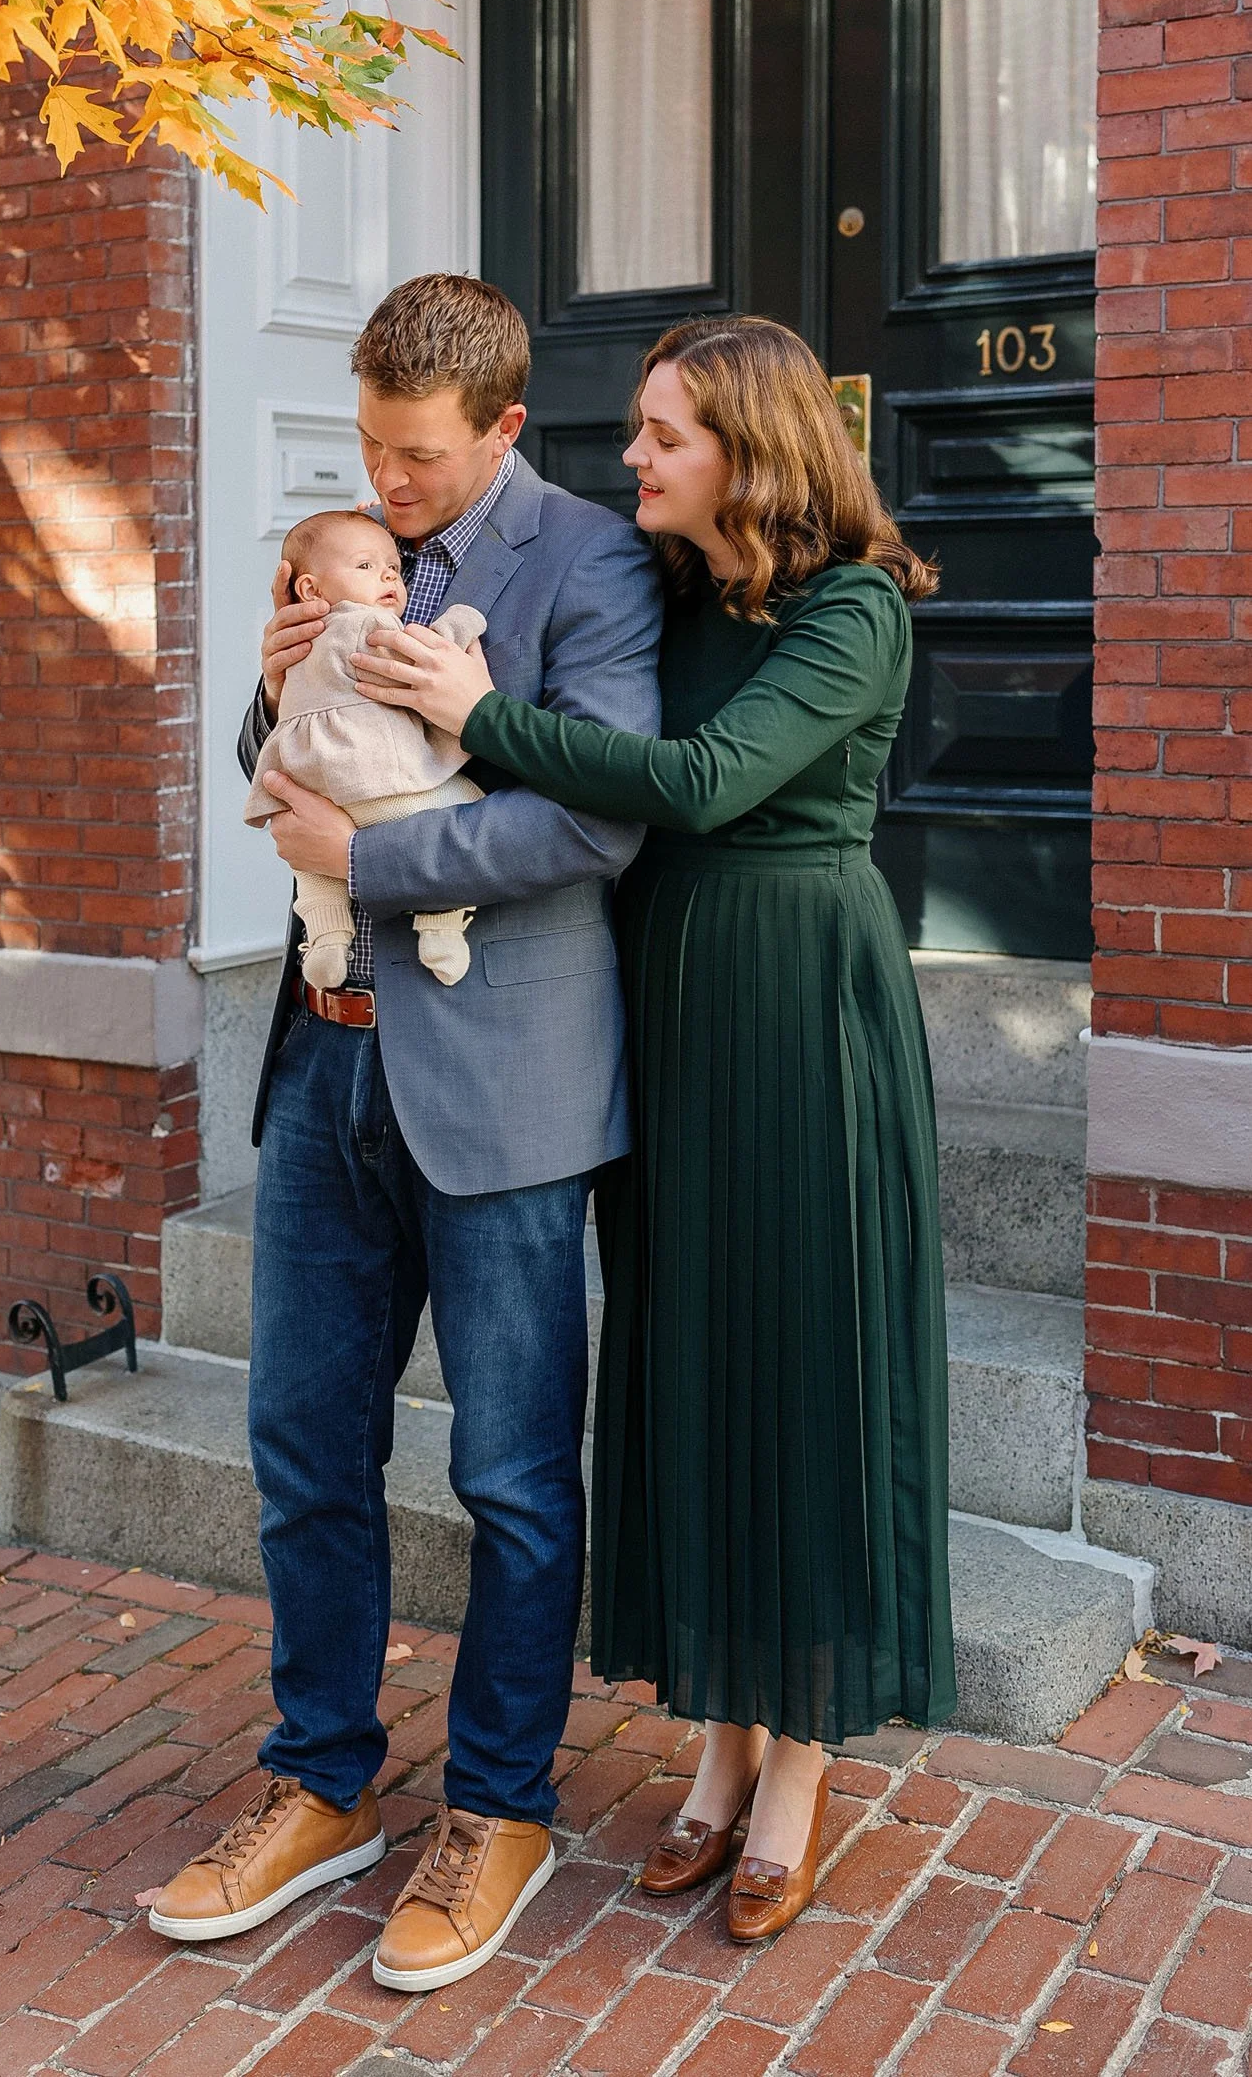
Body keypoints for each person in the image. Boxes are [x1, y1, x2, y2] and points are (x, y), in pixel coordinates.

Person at [354, 315, 956, 1945]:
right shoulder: (676, 591)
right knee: (687, 1369)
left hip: (796, 1015)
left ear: (749, 450)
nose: (628, 459)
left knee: (798, 1369)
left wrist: (484, 716)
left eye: (661, 435)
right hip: (667, 1017)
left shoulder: (852, 613)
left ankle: (799, 1766)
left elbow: (692, 783)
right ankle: (716, 1739)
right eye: (633, 430)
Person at [147, 273, 661, 1989]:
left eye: (420, 453)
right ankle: (322, 1785)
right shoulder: (350, 534)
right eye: (371, 445)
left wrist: (369, 861)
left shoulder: (586, 564)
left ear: (504, 427)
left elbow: (591, 818)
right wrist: (268, 678)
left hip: (503, 1085)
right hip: (325, 1069)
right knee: (301, 1453)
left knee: (512, 1477)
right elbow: (279, 760)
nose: (392, 476)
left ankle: (500, 1805)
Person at [242, 508, 489, 990]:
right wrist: (461, 625)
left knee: (311, 863)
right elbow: (414, 657)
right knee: (456, 805)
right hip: (367, 771)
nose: (388, 577)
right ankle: (439, 926)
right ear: (309, 589)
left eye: (392, 568)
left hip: (307, 776)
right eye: (365, 567)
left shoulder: (305, 632)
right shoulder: (362, 623)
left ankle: (328, 938)